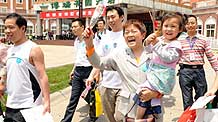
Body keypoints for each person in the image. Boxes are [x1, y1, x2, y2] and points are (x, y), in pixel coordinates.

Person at [83, 19, 164, 121]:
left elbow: (166, 82)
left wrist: (155, 94)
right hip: (128, 110)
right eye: (126, 32)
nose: (130, 35)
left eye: (134, 31)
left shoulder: (155, 55)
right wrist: (89, 44)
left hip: (151, 110)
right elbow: (98, 63)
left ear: (143, 35)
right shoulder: (119, 55)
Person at [134, 13, 183, 121]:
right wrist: (146, 42)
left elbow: (168, 58)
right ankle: (152, 114)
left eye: (173, 26)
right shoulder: (159, 39)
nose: (169, 29)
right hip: (153, 72)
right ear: (161, 27)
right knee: (151, 99)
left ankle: (138, 118)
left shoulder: (176, 45)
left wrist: (156, 44)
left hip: (162, 76)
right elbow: (148, 51)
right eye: (166, 26)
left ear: (180, 29)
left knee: (143, 92)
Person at [2, 13, 50, 122]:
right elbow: (9, 72)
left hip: (29, 105)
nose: (7, 31)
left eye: (11, 27)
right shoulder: (10, 50)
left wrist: (47, 101)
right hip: (11, 104)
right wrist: (2, 85)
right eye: (5, 28)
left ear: (23, 28)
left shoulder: (33, 49)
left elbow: (42, 76)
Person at [86, 6, 127, 122]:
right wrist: (91, 75)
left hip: (124, 86)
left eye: (113, 17)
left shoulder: (127, 35)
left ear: (122, 17)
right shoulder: (105, 37)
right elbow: (99, 60)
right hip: (107, 85)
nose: (110, 20)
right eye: (108, 18)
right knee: (110, 119)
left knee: (120, 118)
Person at [178, 14, 218, 110]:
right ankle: (189, 118)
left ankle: (199, 117)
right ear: (185, 25)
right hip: (184, 71)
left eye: (192, 23)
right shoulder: (180, 40)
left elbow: (210, 56)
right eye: (188, 23)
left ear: (196, 25)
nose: (190, 25)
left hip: (199, 71)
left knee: (201, 98)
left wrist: (217, 69)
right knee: (187, 99)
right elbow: (174, 56)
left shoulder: (203, 39)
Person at [61, 18, 93, 122]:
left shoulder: (90, 39)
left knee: (91, 97)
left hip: (89, 71)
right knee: (73, 98)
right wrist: (73, 70)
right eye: (72, 27)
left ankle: (94, 116)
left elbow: (95, 56)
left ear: (82, 27)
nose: (73, 29)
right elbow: (78, 58)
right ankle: (66, 120)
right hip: (78, 71)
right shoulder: (76, 41)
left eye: (75, 27)